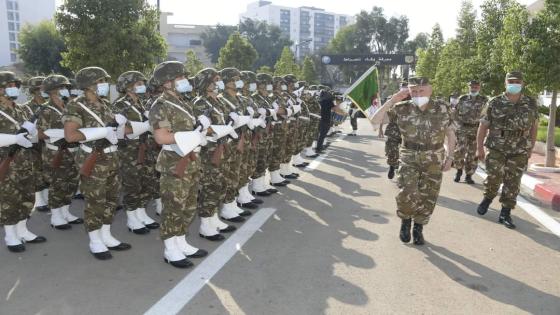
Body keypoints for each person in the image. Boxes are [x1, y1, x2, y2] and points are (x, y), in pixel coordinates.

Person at [373, 76, 456, 245]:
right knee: (408, 191)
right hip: (409, 156)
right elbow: (375, 121)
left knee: (429, 195)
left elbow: (450, 133)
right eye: (414, 91)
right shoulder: (401, 108)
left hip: (434, 157)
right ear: (409, 92)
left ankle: (418, 227)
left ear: (430, 90)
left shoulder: (442, 108)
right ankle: (405, 221)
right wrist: (393, 100)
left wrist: (451, 157)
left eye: (421, 90)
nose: (418, 94)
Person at [63, 67, 131, 260]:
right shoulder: (76, 106)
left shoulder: (105, 104)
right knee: (95, 201)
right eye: (100, 81)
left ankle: (106, 235)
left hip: (111, 157)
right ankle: (95, 239)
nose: (104, 84)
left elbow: (116, 132)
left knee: (111, 199)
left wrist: (120, 127)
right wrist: (102, 132)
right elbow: (70, 136)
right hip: (92, 159)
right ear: (89, 85)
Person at [149, 61, 209, 268]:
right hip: (174, 164)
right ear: (167, 83)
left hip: (191, 161)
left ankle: (181, 242)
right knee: (173, 207)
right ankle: (170, 249)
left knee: (188, 205)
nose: (185, 81)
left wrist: (201, 129)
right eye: (180, 77)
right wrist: (193, 134)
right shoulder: (160, 106)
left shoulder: (184, 102)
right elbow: (161, 137)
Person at [476, 71, 538, 229]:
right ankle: (488, 197)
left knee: (513, 181)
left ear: (523, 83)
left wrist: (530, 146)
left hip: (519, 148)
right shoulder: (494, 102)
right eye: (511, 80)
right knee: (494, 176)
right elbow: (483, 126)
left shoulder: (530, 103)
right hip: (497, 146)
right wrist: (479, 148)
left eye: (517, 81)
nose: (514, 83)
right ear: (505, 83)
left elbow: (534, 127)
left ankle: (505, 213)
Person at [0, 71, 47, 252]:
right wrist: (14, 139)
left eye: (15, 85)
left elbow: (34, 135)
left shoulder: (22, 109)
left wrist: (33, 134)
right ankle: (10, 235)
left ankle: (23, 230)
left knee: (27, 196)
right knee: (9, 199)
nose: (13, 89)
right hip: (6, 161)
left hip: (25, 161)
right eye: (9, 86)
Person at [192, 68, 240, 240]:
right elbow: (204, 127)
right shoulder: (200, 102)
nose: (218, 83)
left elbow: (222, 121)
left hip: (222, 147)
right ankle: (205, 224)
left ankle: (214, 218)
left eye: (219, 80)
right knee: (209, 186)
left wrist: (230, 123)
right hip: (209, 151)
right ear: (206, 83)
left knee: (221, 184)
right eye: (215, 80)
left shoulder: (218, 102)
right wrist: (223, 128)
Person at [113, 71, 160, 235]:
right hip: (129, 151)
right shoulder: (120, 105)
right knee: (132, 184)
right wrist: (142, 127)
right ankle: (132, 218)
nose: (142, 86)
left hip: (146, 148)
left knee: (147, 182)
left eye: (142, 83)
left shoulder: (143, 102)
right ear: (128, 86)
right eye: (138, 83)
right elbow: (119, 129)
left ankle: (141, 212)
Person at [37, 74, 83, 230]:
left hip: (73, 151)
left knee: (71, 183)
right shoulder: (45, 109)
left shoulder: (69, 106)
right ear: (52, 91)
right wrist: (58, 133)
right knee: (57, 184)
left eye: (66, 87)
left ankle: (65, 212)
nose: (65, 90)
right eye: (61, 88)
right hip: (56, 152)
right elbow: (40, 133)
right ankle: (56, 215)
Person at [23, 77, 50, 213]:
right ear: (34, 91)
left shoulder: (50, 104)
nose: (43, 91)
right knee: (37, 171)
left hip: (49, 143)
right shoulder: (26, 108)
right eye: (41, 88)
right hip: (34, 145)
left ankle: (46, 198)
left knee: (47, 171)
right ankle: (39, 201)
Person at [453, 80, 488, 184]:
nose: (474, 89)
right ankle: (459, 171)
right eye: (472, 87)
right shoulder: (462, 99)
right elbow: (455, 113)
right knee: (460, 150)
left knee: (472, 154)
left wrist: (485, 130)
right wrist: (457, 126)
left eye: (476, 87)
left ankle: (469, 175)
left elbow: (486, 116)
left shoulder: (484, 100)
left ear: (479, 88)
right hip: (463, 128)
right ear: (469, 87)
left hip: (477, 130)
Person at [385, 81, 409, 179]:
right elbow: (386, 113)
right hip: (393, 129)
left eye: (406, 87)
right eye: (402, 87)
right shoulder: (394, 98)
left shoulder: (414, 100)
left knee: (406, 153)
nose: (404, 88)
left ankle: (401, 170)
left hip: (408, 131)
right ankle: (391, 166)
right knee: (391, 150)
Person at [315, 85, 335, 153]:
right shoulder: (329, 101)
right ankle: (318, 148)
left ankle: (318, 146)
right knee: (322, 135)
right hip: (325, 120)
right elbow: (334, 109)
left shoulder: (319, 100)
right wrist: (344, 113)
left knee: (319, 134)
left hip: (319, 119)